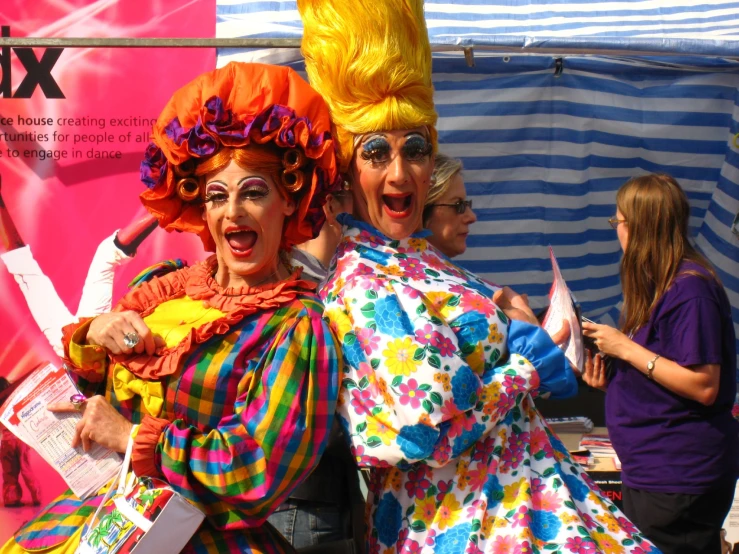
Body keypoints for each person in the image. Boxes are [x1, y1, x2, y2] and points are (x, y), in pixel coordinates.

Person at [298, 1, 659, 552]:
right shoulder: (360, 279)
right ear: (347, 166)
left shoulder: (418, 258)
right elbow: (421, 435)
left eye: (414, 148)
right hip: (466, 525)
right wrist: (524, 370)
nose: (399, 172)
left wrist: (514, 332)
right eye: (375, 152)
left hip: (524, 502)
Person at [1, 61, 342, 554]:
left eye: (254, 193)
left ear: (289, 201)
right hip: (110, 522)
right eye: (217, 196)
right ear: (201, 207)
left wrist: (133, 437)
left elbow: (258, 468)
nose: (234, 212)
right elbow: (98, 389)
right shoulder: (163, 287)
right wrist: (95, 336)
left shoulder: (296, 328)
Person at [582, 173, 739, 554]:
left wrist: (624, 347)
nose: (616, 231)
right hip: (655, 469)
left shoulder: (691, 290)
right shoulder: (663, 283)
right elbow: (665, 371)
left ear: (638, 227)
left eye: (617, 222)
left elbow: (703, 385)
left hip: (678, 476)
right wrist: (616, 383)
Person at [267, 187, 362, 551]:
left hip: (324, 493)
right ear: (332, 204)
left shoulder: (330, 276)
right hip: (300, 500)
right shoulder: (293, 284)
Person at [0, 174, 158, 357]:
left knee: (28, 271)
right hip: (83, 357)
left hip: (74, 344)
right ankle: (168, 208)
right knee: (27, 271)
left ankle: (169, 207)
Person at [423, 153, 477, 258]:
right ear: (422, 210)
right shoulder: (389, 273)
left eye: (466, 204)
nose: (472, 217)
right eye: (457, 205)